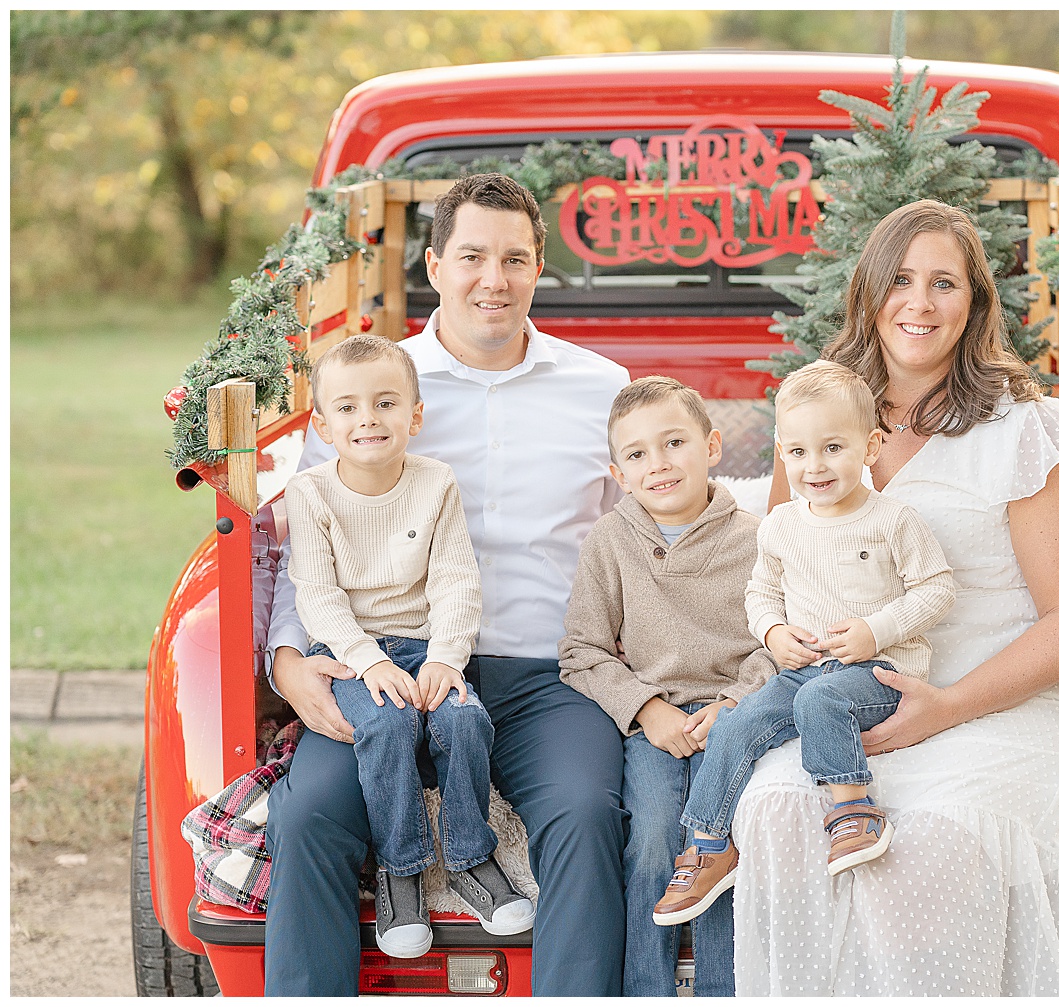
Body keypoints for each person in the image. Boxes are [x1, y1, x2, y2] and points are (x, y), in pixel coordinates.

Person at [732, 199, 1059, 995]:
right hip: (837, 697)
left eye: (945, 283)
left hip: (993, 697)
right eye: (901, 280)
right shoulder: (820, 418)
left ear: (975, 302)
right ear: (869, 292)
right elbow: (781, 572)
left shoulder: (1026, 429)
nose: (919, 304)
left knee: (936, 835)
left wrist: (947, 705)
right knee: (778, 810)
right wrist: (779, 637)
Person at [263, 173, 632, 996]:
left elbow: (637, 541)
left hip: (549, 674)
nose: (491, 280)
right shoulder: (373, 387)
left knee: (585, 810)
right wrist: (289, 662)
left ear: (539, 267)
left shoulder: (602, 389)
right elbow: (308, 549)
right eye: (471, 256)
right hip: (385, 670)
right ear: (435, 265)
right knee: (308, 813)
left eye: (513, 259)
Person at [652, 361, 955, 926]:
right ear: (781, 451)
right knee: (738, 721)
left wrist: (876, 631)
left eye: (833, 448)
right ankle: (709, 844)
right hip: (802, 669)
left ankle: (853, 808)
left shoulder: (893, 521)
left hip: (878, 671)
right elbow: (760, 592)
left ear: (870, 447)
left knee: (821, 702)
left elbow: (937, 590)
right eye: (798, 452)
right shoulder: (781, 525)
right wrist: (773, 632)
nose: (814, 467)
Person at [282, 335, 534, 958]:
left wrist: (448, 658)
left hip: (428, 644)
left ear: (415, 415)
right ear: (323, 423)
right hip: (350, 651)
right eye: (347, 407)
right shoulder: (311, 494)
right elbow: (316, 595)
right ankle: (402, 870)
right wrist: (368, 664)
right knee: (391, 726)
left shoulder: (435, 482)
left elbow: (455, 579)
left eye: (386, 402)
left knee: (465, 721)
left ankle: (472, 860)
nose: (367, 418)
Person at [557, 375, 776, 997]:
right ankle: (644, 991)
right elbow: (581, 651)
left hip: (736, 719)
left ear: (712, 447)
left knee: (722, 844)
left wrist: (736, 704)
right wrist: (646, 709)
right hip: (654, 722)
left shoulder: (757, 539)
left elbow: (780, 640)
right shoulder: (610, 541)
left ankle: (721, 991)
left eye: (674, 442)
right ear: (617, 472)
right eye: (636, 454)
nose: (658, 465)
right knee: (652, 834)